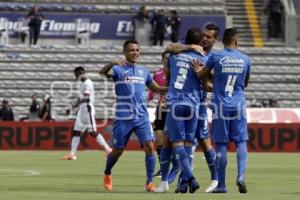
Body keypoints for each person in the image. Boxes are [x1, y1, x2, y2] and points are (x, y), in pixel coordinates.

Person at [99, 39, 168, 192]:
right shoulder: (118, 69)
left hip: (142, 117)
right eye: (132, 50)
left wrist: (173, 89)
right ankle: (107, 173)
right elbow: (102, 72)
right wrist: (112, 63)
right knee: (117, 151)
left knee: (150, 146)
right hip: (123, 118)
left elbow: (156, 88)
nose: (135, 53)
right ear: (125, 52)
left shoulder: (144, 71)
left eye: (137, 50)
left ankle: (149, 183)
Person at [192, 27, 251, 193]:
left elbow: (202, 74)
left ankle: (222, 185)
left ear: (222, 41)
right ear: (236, 41)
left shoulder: (216, 56)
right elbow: (245, 83)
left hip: (220, 105)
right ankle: (240, 175)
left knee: (222, 145)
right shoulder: (246, 59)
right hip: (238, 105)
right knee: (241, 142)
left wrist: (198, 71)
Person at [164, 23, 220, 193]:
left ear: (215, 40)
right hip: (190, 102)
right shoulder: (186, 48)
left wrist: (202, 76)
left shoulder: (211, 58)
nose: (204, 38)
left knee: (202, 140)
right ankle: (182, 181)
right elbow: (170, 47)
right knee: (174, 140)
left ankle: (215, 179)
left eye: (208, 37)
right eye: (203, 35)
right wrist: (190, 46)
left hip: (199, 103)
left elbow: (212, 85)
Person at [61, 67, 112, 160]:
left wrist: (73, 107)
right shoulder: (82, 84)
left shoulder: (88, 83)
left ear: (81, 73)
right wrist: (73, 107)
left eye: (76, 74)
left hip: (87, 109)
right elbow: (80, 98)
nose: (75, 76)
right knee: (76, 132)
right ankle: (72, 154)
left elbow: (86, 98)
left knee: (92, 132)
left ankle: (108, 150)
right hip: (82, 110)